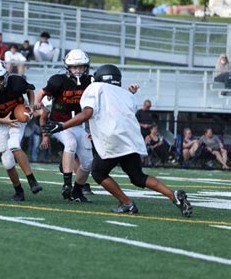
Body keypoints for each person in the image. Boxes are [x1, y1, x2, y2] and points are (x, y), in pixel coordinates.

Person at [42, 64, 193, 217]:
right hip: (131, 139)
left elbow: (86, 114)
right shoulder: (126, 94)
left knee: (99, 173)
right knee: (137, 177)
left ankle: (127, 203)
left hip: (112, 138)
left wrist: (61, 126)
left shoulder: (95, 88)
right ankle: (173, 195)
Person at [0, 59, 42, 201]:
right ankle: (18, 191)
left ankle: (32, 181)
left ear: (4, 76)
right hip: (2, 123)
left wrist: (30, 105)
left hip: (17, 119)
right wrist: (3, 121)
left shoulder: (15, 82)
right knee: (7, 162)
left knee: (14, 145)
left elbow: (30, 90)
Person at [35, 49, 93, 202]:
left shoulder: (92, 81)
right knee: (70, 143)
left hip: (80, 125)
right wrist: (34, 104)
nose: (78, 70)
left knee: (88, 162)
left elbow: (106, 94)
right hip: (59, 124)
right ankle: (66, 184)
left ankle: (77, 190)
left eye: (81, 67)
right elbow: (41, 93)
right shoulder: (58, 80)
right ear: (68, 68)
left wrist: (128, 92)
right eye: (75, 67)